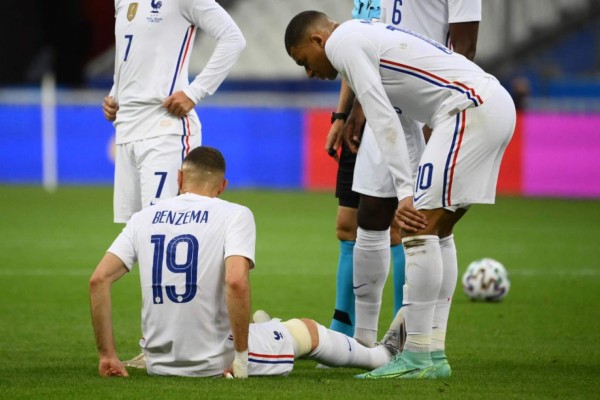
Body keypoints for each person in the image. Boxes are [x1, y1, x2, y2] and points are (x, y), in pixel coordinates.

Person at [285, 11, 515, 379]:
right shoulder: (367, 36)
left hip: (467, 110)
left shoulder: (343, 43)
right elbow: (404, 123)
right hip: (488, 105)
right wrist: (409, 185)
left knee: (417, 228)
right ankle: (433, 356)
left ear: (316, 41)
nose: (309, 72)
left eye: (304, 62)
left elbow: (380, 117)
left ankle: (417, 357)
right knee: (437, 231)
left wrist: (406, 193)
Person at [89, 146, 406, 378]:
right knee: (305, 330)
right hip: (213, 361)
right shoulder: (233, 214)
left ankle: (264, 327)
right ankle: (379, 356)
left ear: (179, 178)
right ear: (222, 186)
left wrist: (107, 356)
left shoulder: (144, 218)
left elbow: (97, 281)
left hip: (159, 363)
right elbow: (236, 281)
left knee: (260, 323)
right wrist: (240, 358)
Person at [325, 0, 481, 349]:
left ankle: (421, 341)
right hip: (384, 103)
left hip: (431, 105)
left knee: (425, 225)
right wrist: (355, 108)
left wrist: (437, 115)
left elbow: (465, 47)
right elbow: (372, 42)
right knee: (369, 216)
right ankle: (362, 343)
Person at [102, 0, 245, 223]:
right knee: (134, 235)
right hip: (126, 130)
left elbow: (233, 38)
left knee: (165, 229)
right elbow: (129, 53)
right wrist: (116, 94)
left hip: (164, 130)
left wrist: (194, 92)